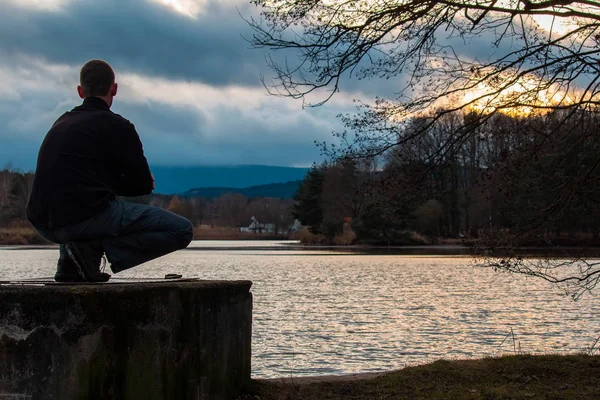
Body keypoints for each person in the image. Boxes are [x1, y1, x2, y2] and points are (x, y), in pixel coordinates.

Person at [26, 60, 193, 282]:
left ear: (80, 91)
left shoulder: (62, 122)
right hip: (83, 219)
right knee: (181, 230)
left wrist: (103, 181)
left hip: (42, 222)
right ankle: (91, 250)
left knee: (85, 207)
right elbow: (141, 186)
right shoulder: (119, 126)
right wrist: (127, 180)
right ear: (114, 89)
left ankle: (71, 262)